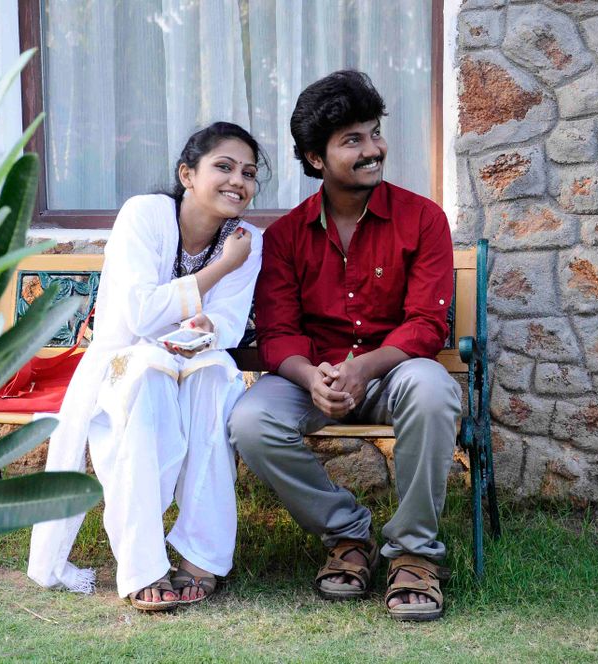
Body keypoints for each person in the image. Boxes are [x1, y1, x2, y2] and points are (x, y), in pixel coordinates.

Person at [228, 71, 460, 622]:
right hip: (315, 379)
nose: (372, 149)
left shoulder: (423, 219)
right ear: (316, 158)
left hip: (394, 373)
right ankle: (348, 534)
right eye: (352, 140)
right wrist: (313, 377)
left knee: (434, 391)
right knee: (250, 421)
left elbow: (427, 323)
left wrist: (364, 369)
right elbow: (278, 334)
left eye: (374, 133)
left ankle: (413, 552)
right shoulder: (285, 237)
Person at [27, 122, 265, 611]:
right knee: (149, 373)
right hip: (124, 362)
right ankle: (143, 564)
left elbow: (228, 321)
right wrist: (222, 267)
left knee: (216, 379)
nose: (237, 181)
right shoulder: (144, 215)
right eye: (223, 167)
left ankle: (202, 556)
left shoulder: (248, 239)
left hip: (195, 361)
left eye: (248, 172)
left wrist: (205, 330)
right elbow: (137, 317)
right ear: (187, 174)